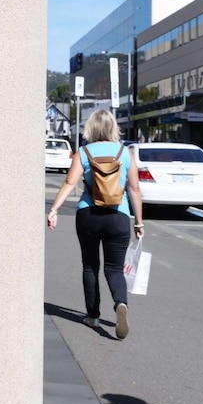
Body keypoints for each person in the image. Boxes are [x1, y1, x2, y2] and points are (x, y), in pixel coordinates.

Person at [46, 109, 144, 340]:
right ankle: (121, 303)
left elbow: (70, 182)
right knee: (114, 268)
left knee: (90, 266)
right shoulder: (125, 153)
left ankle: (93, 314)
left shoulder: (84, 152)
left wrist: (54, 209)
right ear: (113, 128)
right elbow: (135, 189)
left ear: (90, 128)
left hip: (88, 214)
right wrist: (139, 223)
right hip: (118, 216)